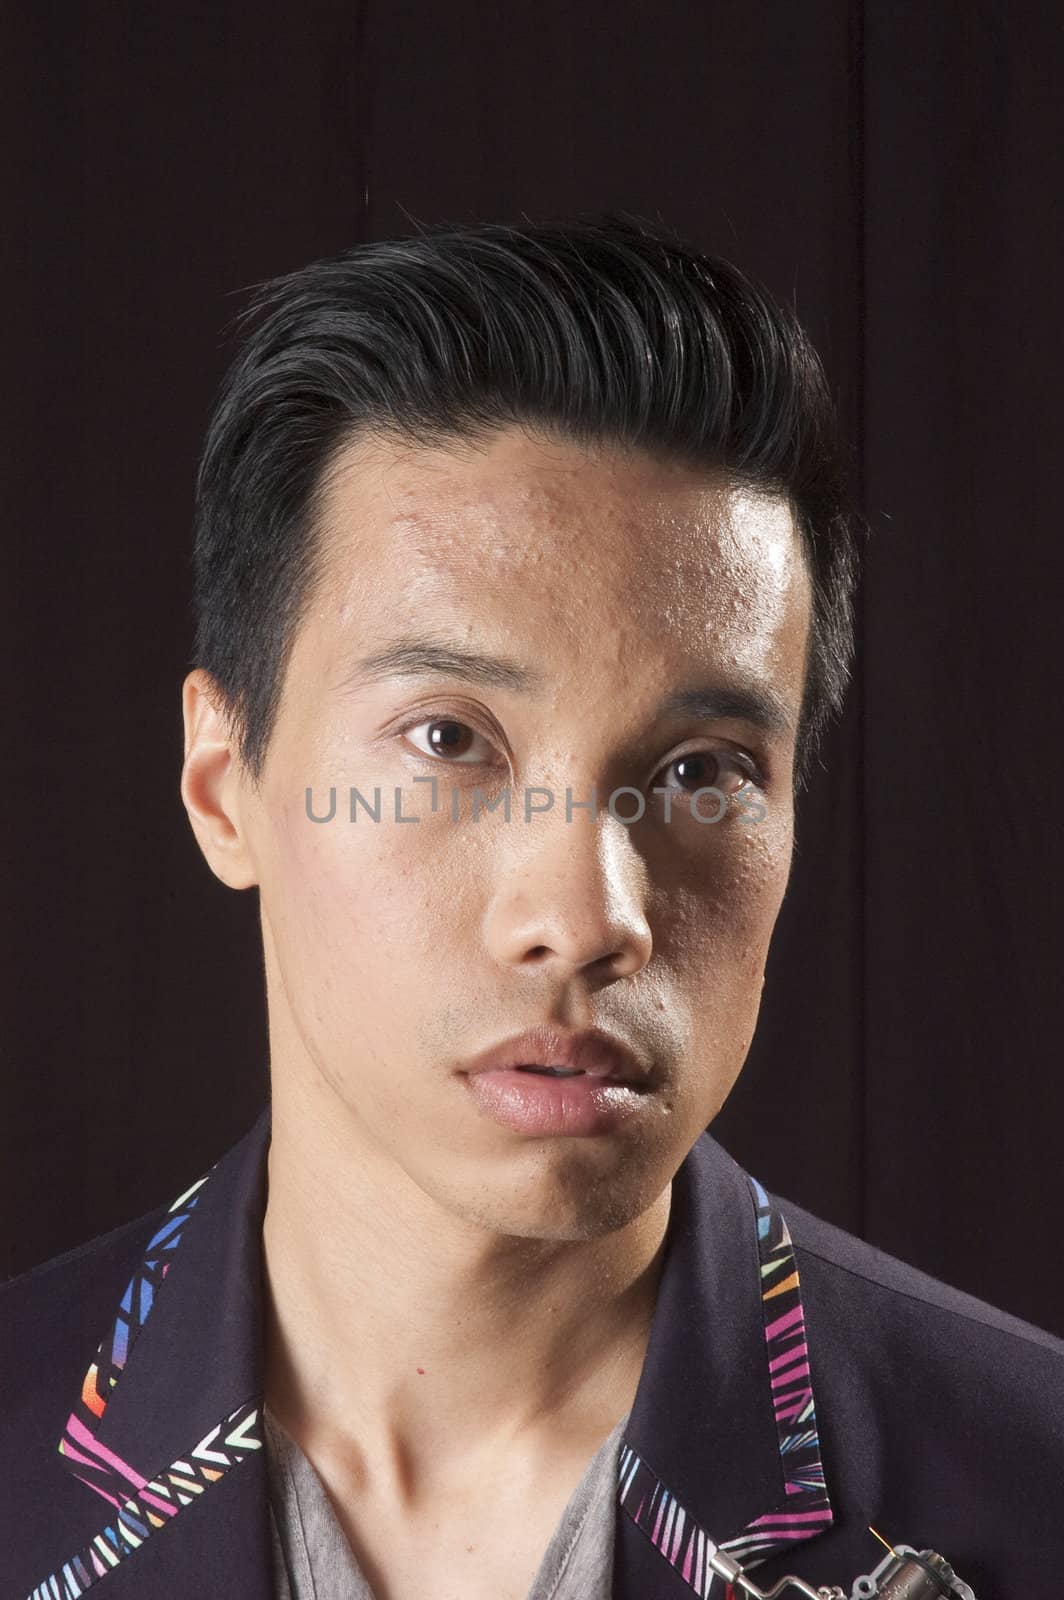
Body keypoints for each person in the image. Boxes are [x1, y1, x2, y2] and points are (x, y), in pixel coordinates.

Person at [5, 214, 1062, 1600]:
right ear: (225, 785)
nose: (587, 915)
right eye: (448, 739)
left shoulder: (1025, 1488)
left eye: (701, 772)